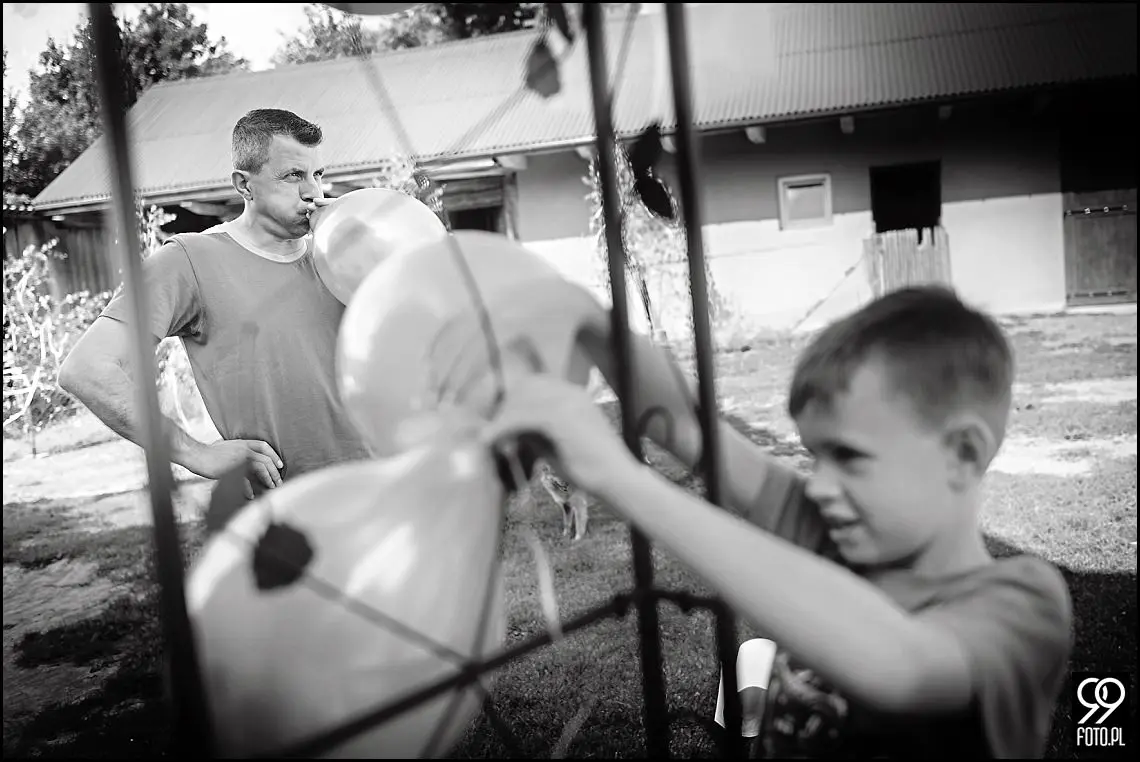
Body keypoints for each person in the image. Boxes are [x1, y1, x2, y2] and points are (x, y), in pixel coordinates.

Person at [483, 285, 1074, 758]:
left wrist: (622, 479)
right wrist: (579, 314)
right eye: (816, 456)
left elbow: (901, 667)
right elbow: (689, 428)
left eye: (849, 457)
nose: (816, 484)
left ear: (963, 454)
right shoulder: (831, 532)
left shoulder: (1022, 604)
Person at [58, 108, 374, 501]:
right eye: (294, 176)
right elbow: (85, 370)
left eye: (318, 175)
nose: (314, 192)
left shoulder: (341, 257)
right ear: (244, 185)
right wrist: (196, 453)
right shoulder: (189, 260)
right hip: (290, 520)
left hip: (385, 495)